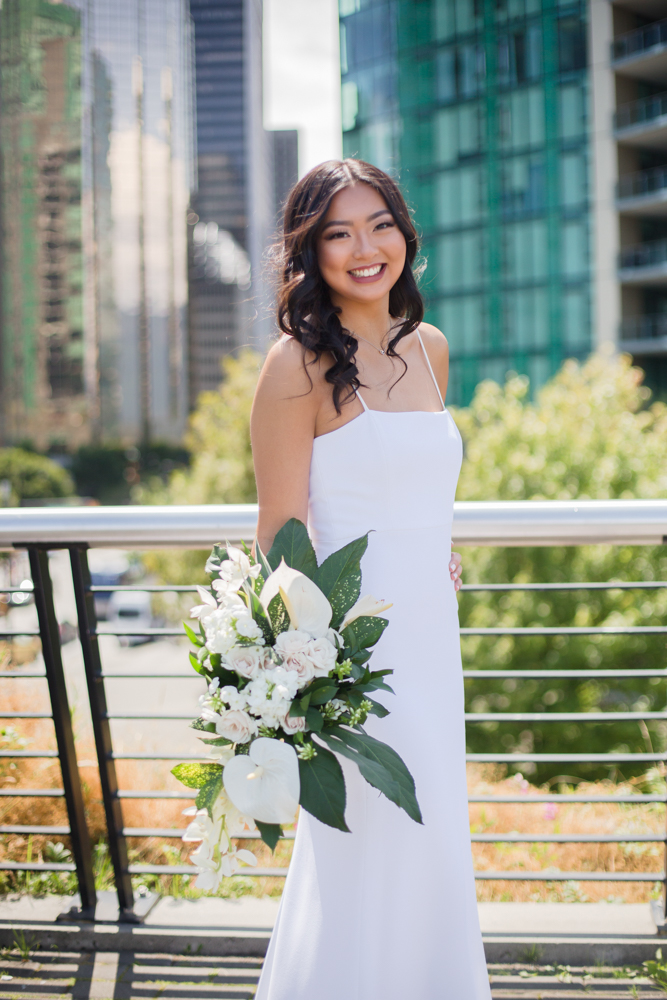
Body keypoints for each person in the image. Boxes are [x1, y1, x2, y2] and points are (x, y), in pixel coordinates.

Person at [250, 159, 490, 999]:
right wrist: (300, 679)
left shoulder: (430, 350)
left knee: (429, 840)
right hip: (351, 656)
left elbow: (420, 490)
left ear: (404, 232)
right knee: (364, 843)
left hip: (431, 634)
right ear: (309, 252)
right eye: (337, 233)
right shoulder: (296, 366)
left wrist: (438, 552)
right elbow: (280, 538)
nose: (364, 248)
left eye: (378, 224)